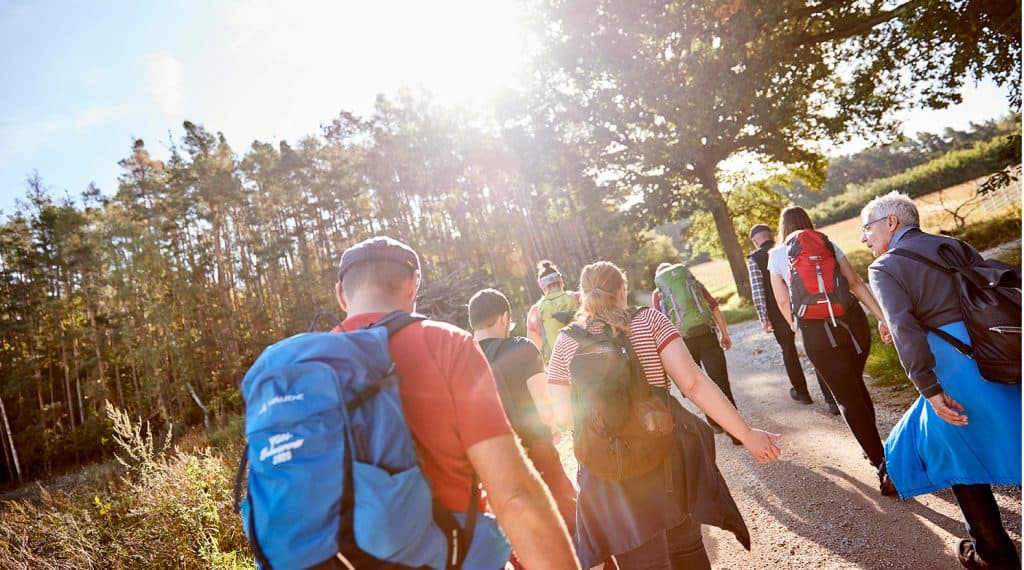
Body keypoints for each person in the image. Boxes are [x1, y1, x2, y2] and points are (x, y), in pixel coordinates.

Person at [333, 236, 579, 569]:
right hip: (454, 553)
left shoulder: (301, 367)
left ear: (340, 294)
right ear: (412, 286)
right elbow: (514, 494)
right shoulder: (446, 344)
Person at [547, 261, 782, 569]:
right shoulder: (650, 321)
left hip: (610, 475)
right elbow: (693, 384)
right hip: (665, 459)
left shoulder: (567, 342)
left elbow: (563, 416)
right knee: (686, 550)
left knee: (640, 561)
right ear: (622, 290)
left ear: (583, 295)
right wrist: (746, 434)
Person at [861, 192, 1021, 569]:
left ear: (891, 223)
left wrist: (928, 389)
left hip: (950, 366)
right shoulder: (954, 245)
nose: (865, 240)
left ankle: (993, 553)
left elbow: (904, 329)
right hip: (997, 352)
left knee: (959, 454)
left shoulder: (885, 267)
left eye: (866, 230)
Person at [767, 206, 897, 497]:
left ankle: (882, 463)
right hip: (852, 325)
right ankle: (875, 448)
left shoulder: (776, 256)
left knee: (845, 395)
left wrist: (798, 332)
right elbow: (854, 283)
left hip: (817, 333)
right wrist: (882, 318)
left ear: (783, 227)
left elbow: (784, 304)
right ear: (808, 224)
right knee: (856, 384)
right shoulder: (827, 242)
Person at [468, 287, 579, 566]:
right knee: (571, 533)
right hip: (538, 458)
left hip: (492, 472)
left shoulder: (460, 360)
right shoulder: (521, 348)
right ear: (504, 317)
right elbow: (544, 410)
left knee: (522, 546)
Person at [747, 224, 839, 415]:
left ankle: (802, 392)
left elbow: (758, 292)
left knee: (788, 350)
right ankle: (831, 398)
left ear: (755, 241)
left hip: (777, 312)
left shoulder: (755, 258)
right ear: (771, 235)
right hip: (803, 306)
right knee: (814, 348)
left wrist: (764, 318)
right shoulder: (788, 247)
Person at [651, 262, 741, 443]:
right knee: (721, 381)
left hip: (682, 343)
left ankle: (714, 423)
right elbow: (714, 307)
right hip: (707, 334)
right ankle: (737, 433)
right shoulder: (693, 283)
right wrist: (724, 334)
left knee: (698, 384)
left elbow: (659, 323)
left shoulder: (657, 293)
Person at [527, 260, 581, 362]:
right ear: (561, 281)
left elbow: (534, 349)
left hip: (558, 366)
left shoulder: (536, 311)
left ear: (542, 286)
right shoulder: (578, 297)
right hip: (586, 358)